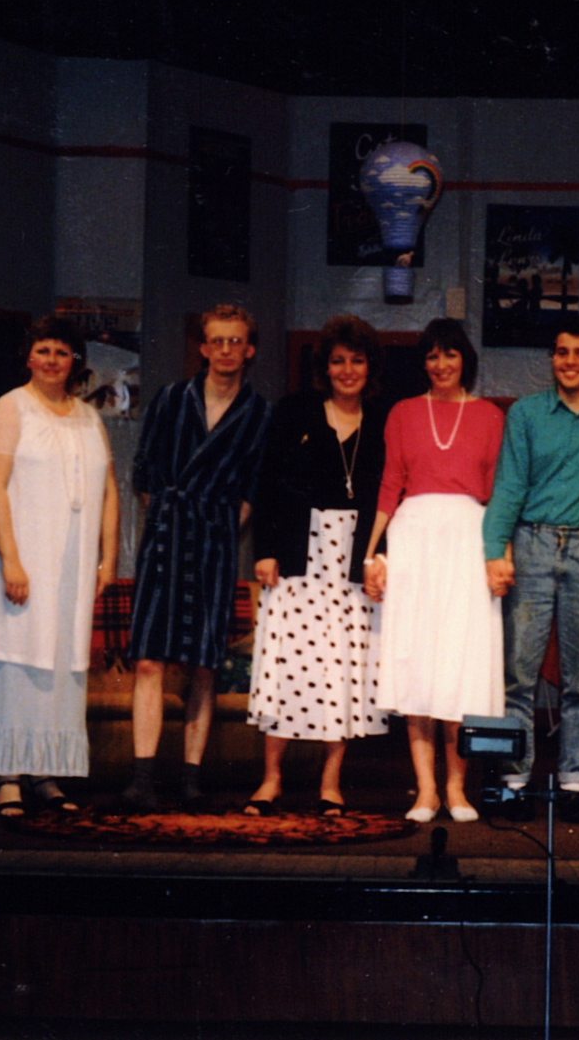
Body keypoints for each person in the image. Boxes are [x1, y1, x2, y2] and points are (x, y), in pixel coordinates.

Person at [0, 317, 120, 819]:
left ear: (75, 361)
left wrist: (108, 558)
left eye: (62, 352)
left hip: (71, 571)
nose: (52, 360)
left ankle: (45, 772)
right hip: (23, 562)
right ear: (29, 357)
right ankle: (7, 775)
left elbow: (110, 489)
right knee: (16, 664)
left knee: (58, 668)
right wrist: (11, 559)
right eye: (44, 350)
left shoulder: (88, 417)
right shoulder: (10, 407)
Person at [482, 314, 579, 824]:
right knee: (518, 674)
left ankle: (574, 779)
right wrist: (495, 550)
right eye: (561, 352)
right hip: (531, 544)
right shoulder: (526, 414)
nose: (569, 362)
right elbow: (508, 486)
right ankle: (513, 780)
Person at [122, 303, 272, 810]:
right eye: (218, 341)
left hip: (215, 544)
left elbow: (253, 489)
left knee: (204, 665)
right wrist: (170, 517)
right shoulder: (170, 399)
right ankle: (142, 777)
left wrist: (221, 527)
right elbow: (144, 473)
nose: (226, 350)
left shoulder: (259, 414)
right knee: (149, 661)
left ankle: (190, 777)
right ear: (204, 348)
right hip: (165, 540)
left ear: (249, 350)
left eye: (236, 341)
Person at [244, 315, 391, 816]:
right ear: (324, 367)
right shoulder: (295, 411)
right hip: (298, 553)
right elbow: (267, 482)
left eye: (357, 360)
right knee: (287, 664)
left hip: (354, 558)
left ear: (370, 367)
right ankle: (271, 779)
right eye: (337, 361)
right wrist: (265, 550)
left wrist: (380, 556)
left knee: (343, 668)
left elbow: (390, 495)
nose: (347, 370)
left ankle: (331, 782)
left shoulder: (382, 420)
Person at [363, 318, 506, 824]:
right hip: (414, 540)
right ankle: (425, 790)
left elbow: (499, 492)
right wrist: (372, 555)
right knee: (419, 666)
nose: (441, 364)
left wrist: (501, 555)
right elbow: (390, 485)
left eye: (450, 354)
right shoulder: (403, 413)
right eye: (432, 356)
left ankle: (456, 788)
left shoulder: (490, 416)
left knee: (459, 667)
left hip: (469, 539)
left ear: (465, 359)